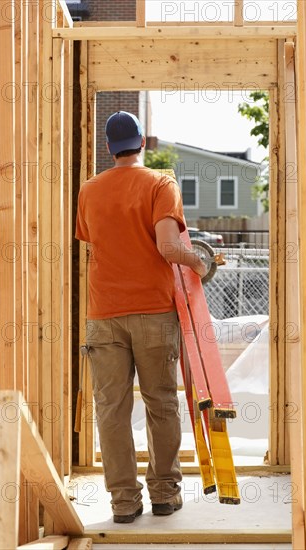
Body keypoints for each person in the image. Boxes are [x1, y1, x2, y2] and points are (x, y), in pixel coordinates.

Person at [75, 111, 206, 524]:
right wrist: (198, 261)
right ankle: (164, 495)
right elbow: (168, 248)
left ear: (109, 149)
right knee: (161, 404)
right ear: (142, 144)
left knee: (111, 409)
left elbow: (95, 241)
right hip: (153, 312)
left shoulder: (89, 190)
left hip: (103, 314)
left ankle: (123, 504)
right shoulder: (160, 183)